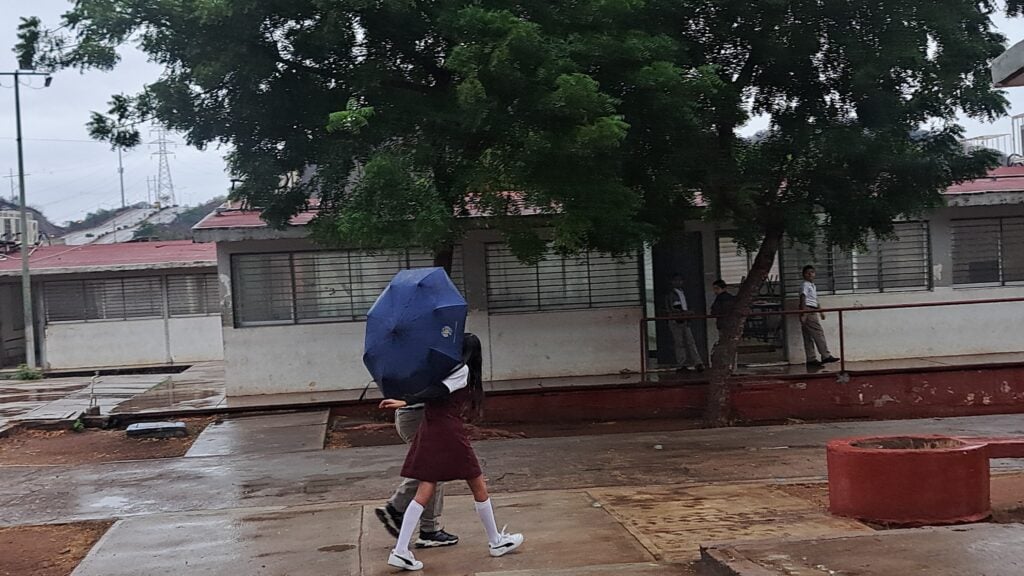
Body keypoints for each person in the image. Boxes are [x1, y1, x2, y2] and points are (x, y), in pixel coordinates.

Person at [379, 333, 524, 571]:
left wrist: (405, 399)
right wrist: (406, 401)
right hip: (447, 430)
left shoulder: (441, 368)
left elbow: (431, 390)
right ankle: (495, 541)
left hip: (431, 428)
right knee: (477, 483)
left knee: (426, 487)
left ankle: (401, 550)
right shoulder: (462, 371)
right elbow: (437, 393)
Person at [374, 393, 458, 548]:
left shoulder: (406, 368)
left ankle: (428, 529)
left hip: (411, 414)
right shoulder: (424, 368)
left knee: (433, 470)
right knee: (433, 469)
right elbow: (434, 388)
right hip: (419, 415)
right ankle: (397, 508)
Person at [799, 265, 840, 367]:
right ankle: (825, 355)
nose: (810, 274)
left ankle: (811, 358)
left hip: (812, 309)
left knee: (808, 336)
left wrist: (821, 311)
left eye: (812, 272)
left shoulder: (812, 285)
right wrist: (804, 313)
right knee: (818, 332)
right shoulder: (805, 285)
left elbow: (815, 300)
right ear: (804, 275)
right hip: (808, 310)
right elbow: (803, 298)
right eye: (808, 272)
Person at [665, 274, 704, 372]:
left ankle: (698, 362)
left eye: (680, 280)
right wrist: (684, 313)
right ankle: (681, 364)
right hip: (676, 321)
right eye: (676, 280)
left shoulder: (684, 293)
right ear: (672, 282)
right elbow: (672, 309)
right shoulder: (670, 295)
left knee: (691, 342)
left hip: (685, 320)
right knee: (679, 343)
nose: (679, 282)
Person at [710, 279, 738, 370]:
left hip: (723, 324)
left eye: (716, 288)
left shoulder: (719, 299)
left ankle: (726, 365)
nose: (715, 291)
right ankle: (732, 365)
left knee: (724, 344)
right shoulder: (732, 298)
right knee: (731, 345)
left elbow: (714, 311)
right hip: (732, 324)